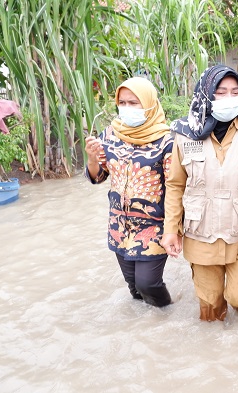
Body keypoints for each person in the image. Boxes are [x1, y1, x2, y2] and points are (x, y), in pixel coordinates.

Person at [161, 65, 238, 322]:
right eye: (220, 92)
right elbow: (175, 184)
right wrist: (171, 229)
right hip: (201, 232)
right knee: (210, 307)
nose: (229, 98)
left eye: (235, 92)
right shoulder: (184, 133)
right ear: (206, 94)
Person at [84, 77, 173, 307]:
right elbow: (98, 176)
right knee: (133, 286)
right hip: (119, 225)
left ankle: (166, 313)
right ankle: (143, 328)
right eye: (122, 103)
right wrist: (92, 159)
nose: (126, 108)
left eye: (134, 103)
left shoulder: (166, 140)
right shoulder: (111, 134)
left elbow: (175, 187)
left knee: (148, 284)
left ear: (149, 104)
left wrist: (174, 228)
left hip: (153, 225)